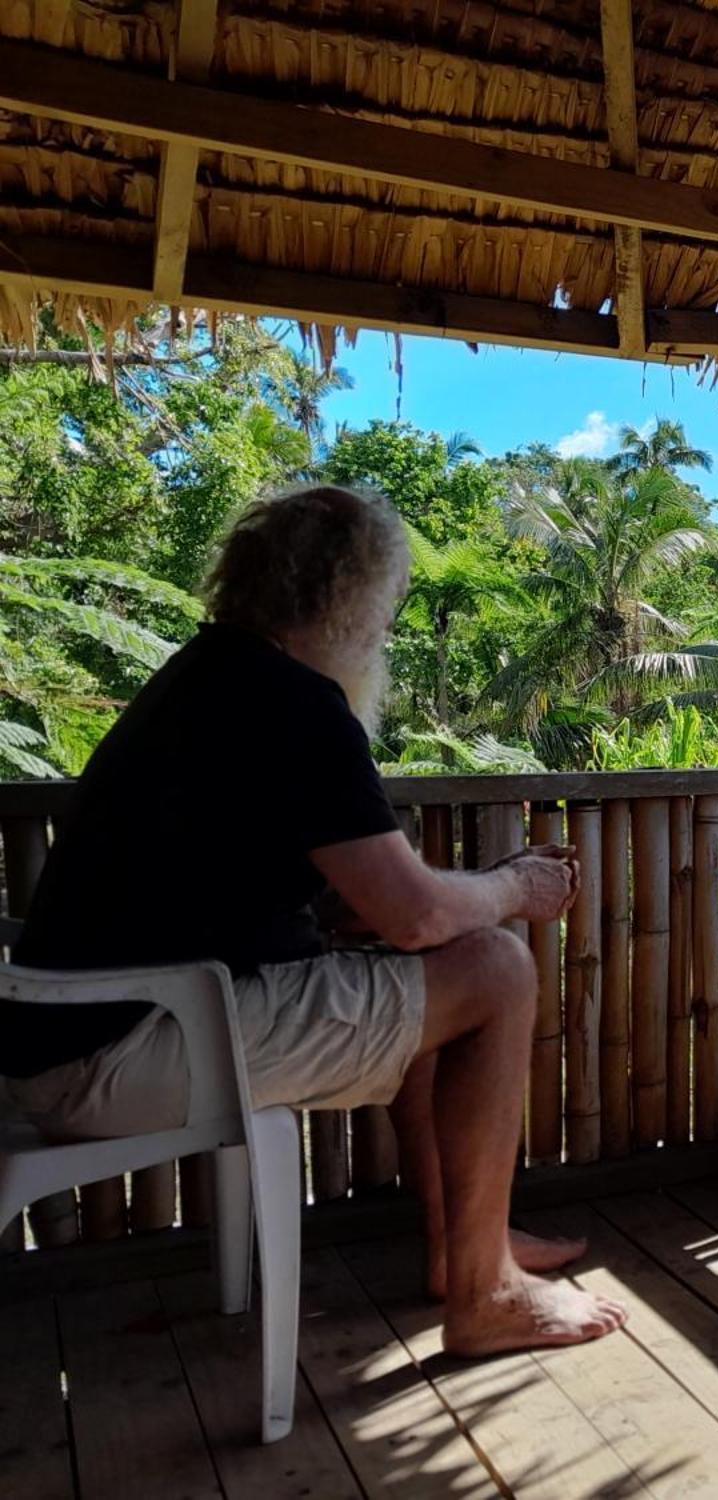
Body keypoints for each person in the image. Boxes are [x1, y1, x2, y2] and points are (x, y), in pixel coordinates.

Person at [0, 485, 625, 1354]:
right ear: (348, 600)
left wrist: (369, 920)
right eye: (386, 612)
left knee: (422, 987)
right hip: (121, 1054)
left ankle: (464, 1247)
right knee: (494, 969)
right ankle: (484, 1296)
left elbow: (281, 892)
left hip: (67, 1043)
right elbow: (413, 916)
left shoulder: (206, 676)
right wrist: (516, 886)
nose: (384, 635)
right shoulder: (291, 701)